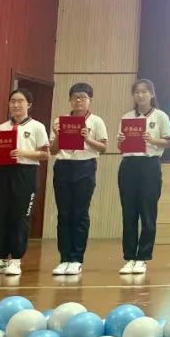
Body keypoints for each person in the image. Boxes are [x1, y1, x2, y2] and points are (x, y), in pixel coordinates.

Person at [0, 89, 49, 276]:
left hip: (25, 172)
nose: (16, 105)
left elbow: (45, 154)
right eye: (13, 101)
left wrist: (24, 153)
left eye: (20, 101)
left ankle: (16, 259)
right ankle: (0, 259)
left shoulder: (37, 127)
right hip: (3, 172)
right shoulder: (1, 128)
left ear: (29, 104)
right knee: (0, 214)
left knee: (20, 216)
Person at [48, 82, 108, 276]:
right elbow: (53, 150)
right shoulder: (60, 121)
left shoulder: (96, 121)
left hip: (85, 166)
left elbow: (103, 148)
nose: (79, 100)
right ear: (69, 100)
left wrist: (87, 139)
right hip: (63, 166)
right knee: (64, 213)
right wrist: (58, 135)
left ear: (90, 100)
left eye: (83, 97)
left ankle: (76, 259)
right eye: (75, 97)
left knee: (80, 213)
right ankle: (64, 258)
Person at [116, 78, 170, 275]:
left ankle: (143, 258)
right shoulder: (127, 117)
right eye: (137, 92)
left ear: (152, 94)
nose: (140, 95)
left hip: (150, 165)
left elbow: (169, 142)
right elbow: (120, 147)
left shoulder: (160, 116)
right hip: (128, 166)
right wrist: (121, 141)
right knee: (128, 213)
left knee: (148, 213)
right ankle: (129, 257)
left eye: (144, 91)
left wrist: (152, 139)